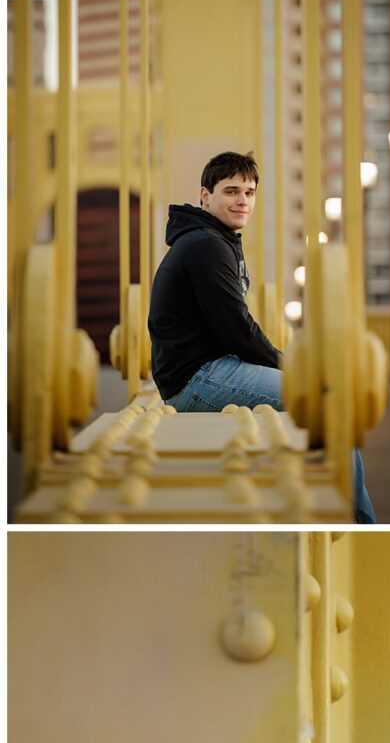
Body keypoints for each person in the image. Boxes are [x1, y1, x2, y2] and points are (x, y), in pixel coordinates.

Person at [147, 147, 375, 522]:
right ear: (206, 195)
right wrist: (290, 369)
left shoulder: (212, 240)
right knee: (329, 404)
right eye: (231, 191)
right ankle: (358, 524)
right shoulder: (206, 246)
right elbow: (237, 328)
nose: (242, 201)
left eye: (249, 193)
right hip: (199, 379)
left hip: (203, 371)